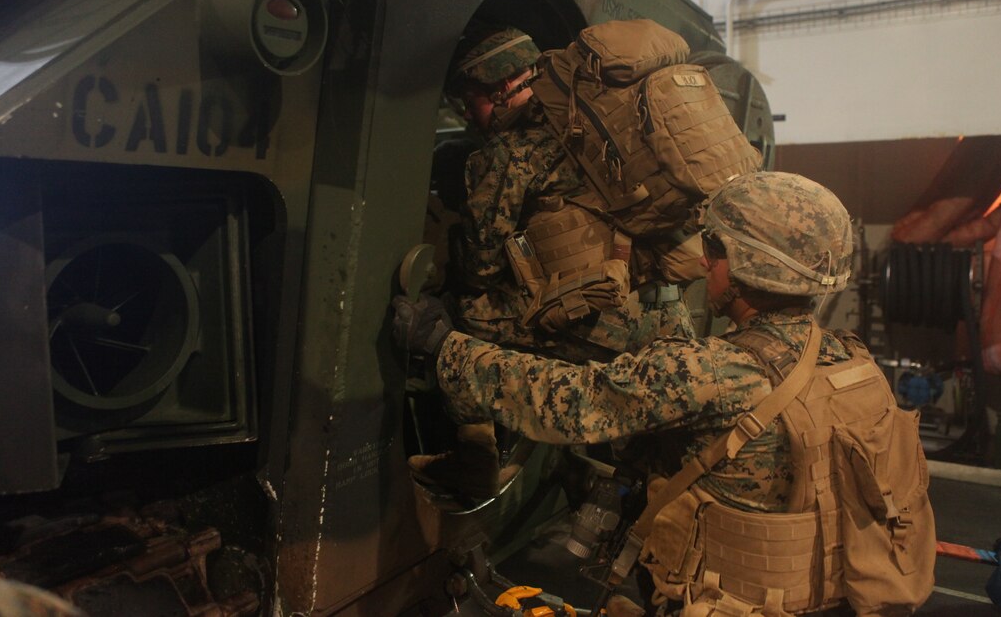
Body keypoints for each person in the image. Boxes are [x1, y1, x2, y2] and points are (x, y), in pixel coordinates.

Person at [392, 171, 935, 615]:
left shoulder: (715, 371)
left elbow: (569, 402)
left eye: (716, 250)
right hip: (822, 598)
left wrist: (445, 348)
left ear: (745, 266)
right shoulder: (849, 357)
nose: (704, 262)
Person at [408, 25, 698, 500]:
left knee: (461, 310)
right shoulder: (593, 125)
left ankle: (474, 456)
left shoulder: (508, 153)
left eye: (471, 99)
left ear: (502, 89)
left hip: (598, 322)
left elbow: (479, 267)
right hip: (662, 314)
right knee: (665, 461)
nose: (468, 113)